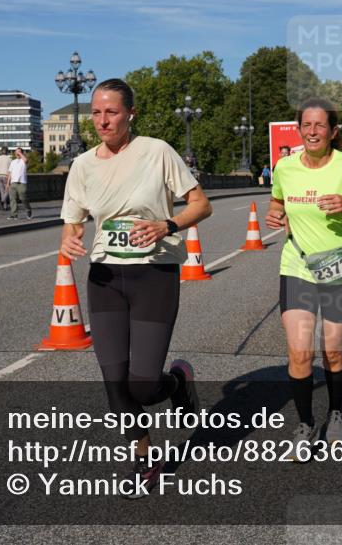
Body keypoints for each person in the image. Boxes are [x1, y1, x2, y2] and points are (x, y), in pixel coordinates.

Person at [59, 78, 213, 498]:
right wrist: (71, 237)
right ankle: (145, 458)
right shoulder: (83, 165)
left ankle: (177, 383)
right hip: (106, 278)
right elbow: (74, 219)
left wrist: (167, 224)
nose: (102, 121)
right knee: (114, 384)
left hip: (154, 275)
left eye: (111, 112)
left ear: (130, 114)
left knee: (143, 385)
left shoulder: (157, 152)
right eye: (95, 113)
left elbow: (201, 204)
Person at [264, 98, 342, 452]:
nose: (312, 131)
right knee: (300, 353)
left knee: (332, 352)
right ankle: (304, 424)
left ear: (332, 132)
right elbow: (277, 201)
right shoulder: (284, 168)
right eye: (306, 125)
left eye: (320, 126)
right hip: (297, 266)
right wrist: (275, 215)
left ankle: (335, 412)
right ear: (299, 129)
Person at [7, 148, 33, 220]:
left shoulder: (23, 161)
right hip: (13, 182)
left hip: (22, 182)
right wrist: (7, 183)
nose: (17, 153)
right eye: (16, 152)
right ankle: (14, 214)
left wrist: (20, 154)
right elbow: (10, 173)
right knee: (12, 199)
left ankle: (28, 210)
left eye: (19, 151)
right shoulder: (13, 162)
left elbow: (26, 160)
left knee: (23, 198)